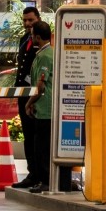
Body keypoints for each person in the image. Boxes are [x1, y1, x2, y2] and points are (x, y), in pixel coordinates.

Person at [22, 21, 75, 193]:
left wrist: (29, 104)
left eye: (32, 34)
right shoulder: (51, 53)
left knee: (42, 148)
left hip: (45, 109)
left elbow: (41, 86)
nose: (31, 37)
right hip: (53, 108)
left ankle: (46, 181)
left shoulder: (45, 56)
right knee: (52, 146)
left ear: (37, 36)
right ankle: (61, 182)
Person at [11, 8, 48, 190]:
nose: (27, 24)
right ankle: (32, 173)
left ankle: (41, 175)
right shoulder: (24, 40)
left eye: (31, 20)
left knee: (37, 137)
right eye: (25, 20)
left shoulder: (44, 41)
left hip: (36, 97)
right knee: (28, 136)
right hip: (23, 93)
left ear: (38, 19)